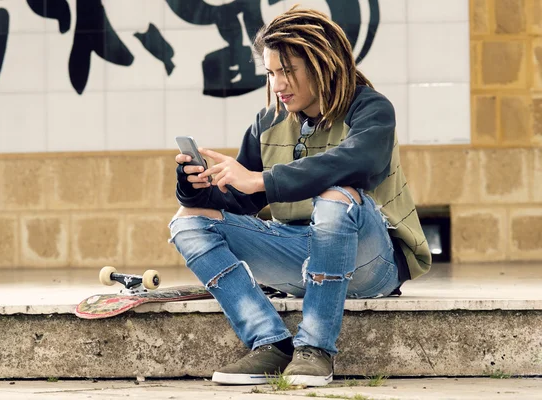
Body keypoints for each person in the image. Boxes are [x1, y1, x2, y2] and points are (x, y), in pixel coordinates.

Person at [168, 6, 431, 387]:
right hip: (300, 254)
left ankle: (316, 349)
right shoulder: (268, 122)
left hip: (371, 261)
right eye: (272, 73)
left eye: (287, 71)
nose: (278, 84)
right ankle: (270, 343)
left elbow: (357, 163)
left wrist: (260, 180)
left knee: (337, 196)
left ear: (322, 64)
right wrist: (195, 185)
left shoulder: (371, 108)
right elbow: (239, 202)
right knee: (187, 222)